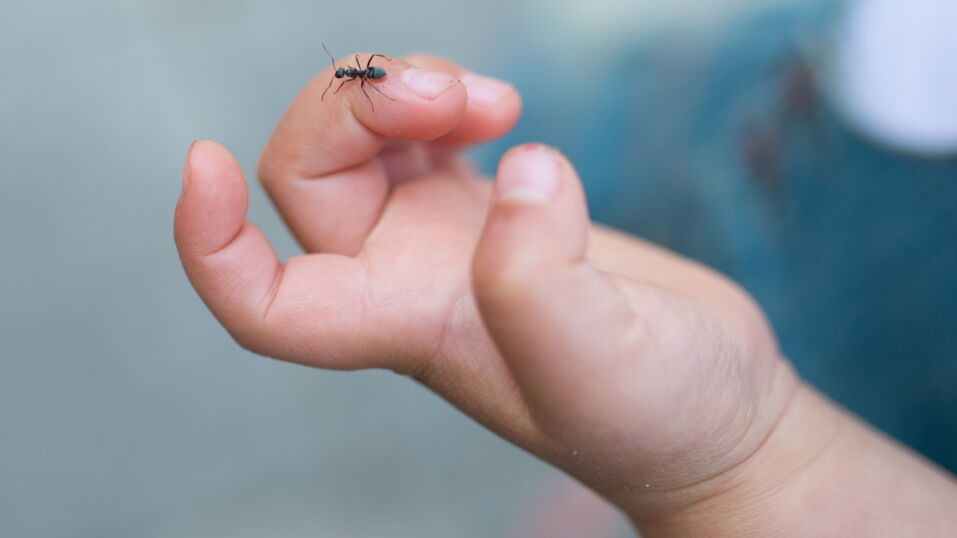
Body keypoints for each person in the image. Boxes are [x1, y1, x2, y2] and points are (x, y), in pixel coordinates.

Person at [173, 47, 957, 538]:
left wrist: (740, 461)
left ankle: (624, 479)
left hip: (896, 305)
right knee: (595, 193)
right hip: (799, 76)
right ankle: (604, 458)